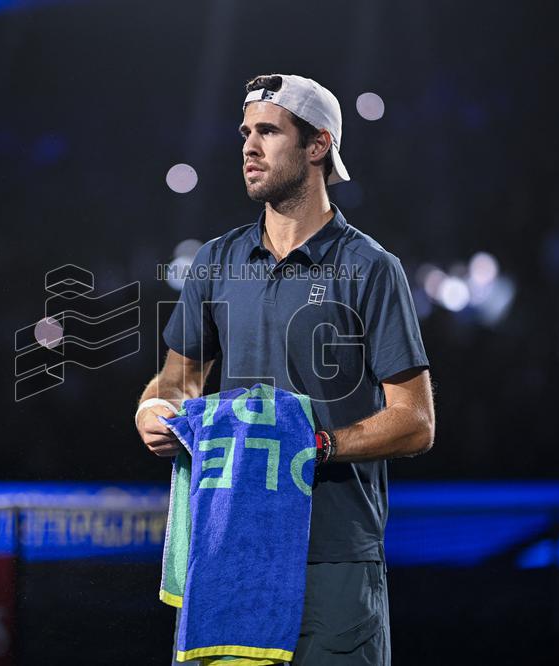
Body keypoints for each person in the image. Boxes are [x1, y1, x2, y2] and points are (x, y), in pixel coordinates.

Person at [135, 73, 435, 666]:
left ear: (318, 146)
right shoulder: (215, 261)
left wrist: (316, 445)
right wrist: (154, 407)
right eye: (246, 132)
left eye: (268, 132)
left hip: (332, 554)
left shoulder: (372, 268)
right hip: (228, 548)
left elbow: (416, 421)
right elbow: (179, 378)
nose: (248, 146)